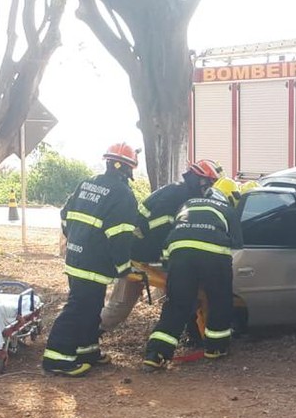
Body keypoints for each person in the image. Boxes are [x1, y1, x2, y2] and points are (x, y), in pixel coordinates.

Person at [42, 143, 140, 377]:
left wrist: (76, 240)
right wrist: (124, 267)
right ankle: (56, 358)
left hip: (76, 256)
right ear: (128, 169)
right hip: (94, 262)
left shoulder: (87, 183)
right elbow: (120, 236)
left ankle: (87, 351)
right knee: (79, 307)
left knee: (91, 307)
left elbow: (65, 216)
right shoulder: (123, 194)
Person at [99, 159, 226, 332]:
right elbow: (160, 232)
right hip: (140, 255)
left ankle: (192, 333)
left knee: (186, 295)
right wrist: (170, 260)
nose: (209, 189)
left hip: (148, 252)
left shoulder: (183, 193)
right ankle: (87, 334)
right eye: (208, 183)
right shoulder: (176, 196)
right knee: (119, 306)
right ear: (198, 179)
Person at [143, 178, 244, 371]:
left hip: (179, 253)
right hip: (214, 255)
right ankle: (215, 348)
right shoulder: (228, 209)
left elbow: (174, 232)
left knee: (176, 304)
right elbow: (237, 244)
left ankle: (155, 354)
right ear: (230, 198)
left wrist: (171, 267)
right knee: (220, 300)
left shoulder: (188, 203)